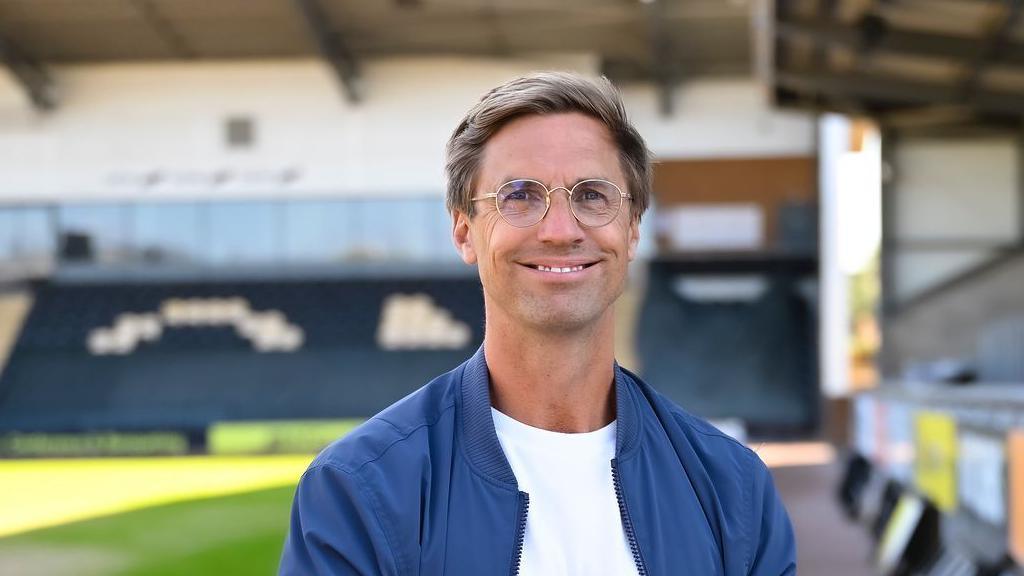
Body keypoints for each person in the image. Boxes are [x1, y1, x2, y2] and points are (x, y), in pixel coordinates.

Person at [279, 72, 796, 575]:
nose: (560, 230)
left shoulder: (733, 490)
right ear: (463, 231)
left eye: (593, 195)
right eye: (520, 195)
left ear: (633, 229)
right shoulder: (359, 488)